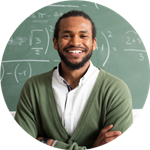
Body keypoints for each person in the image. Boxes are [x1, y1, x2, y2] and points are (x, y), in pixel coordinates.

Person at [14, 10, 133, 149]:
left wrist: (50, 143)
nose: (75, 42)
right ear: (55, 43)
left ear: (94, 43)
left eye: (83, 36)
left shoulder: (116, 90)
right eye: (66, 35)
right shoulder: (33, 88)